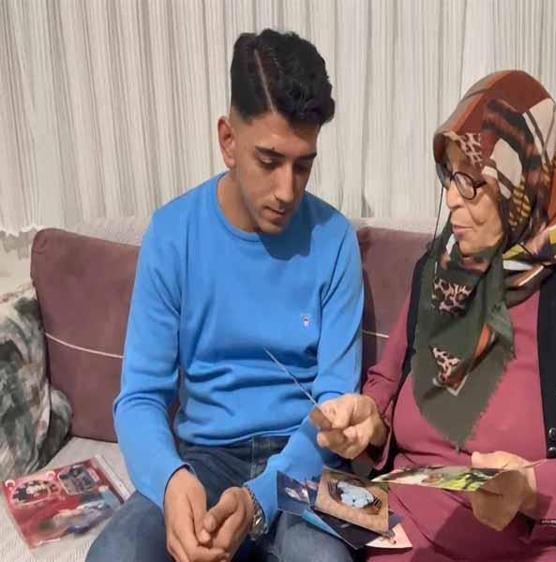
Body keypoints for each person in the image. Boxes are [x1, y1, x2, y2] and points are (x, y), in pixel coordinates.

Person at [314, 71, 556, 561]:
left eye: (473, 182)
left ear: (523, 187)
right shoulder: (436, 270)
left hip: (531, 542)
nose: (451, 197)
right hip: (409, 527)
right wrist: (369, 421)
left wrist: (531, 488)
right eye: (449, 176)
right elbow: (387, 388)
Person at [87, 29, 363, 562]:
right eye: (269, 160)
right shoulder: (173, 235)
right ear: (228, 140)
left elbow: (334, 409)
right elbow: (140, 397)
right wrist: (172, 480)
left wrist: (258, 501)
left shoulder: (335, 241)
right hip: (205, 457)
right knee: (114, 555)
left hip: (303, 465)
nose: (287, 190)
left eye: (303, 164)